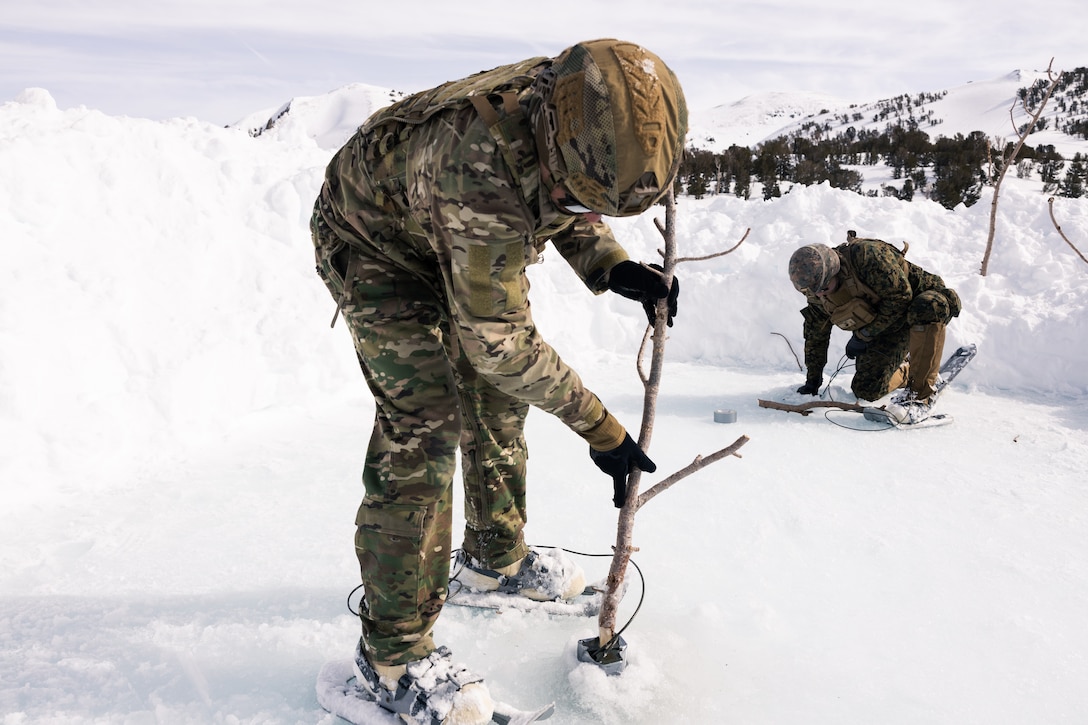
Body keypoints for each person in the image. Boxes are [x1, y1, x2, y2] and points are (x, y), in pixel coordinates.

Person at [310, 39, 686, 724]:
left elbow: (562, 199)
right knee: (424, 421)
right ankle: (389, 658)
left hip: (437, 226)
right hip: (375, 247)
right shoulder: (476, 167)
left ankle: (494, 558)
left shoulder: (567, 110)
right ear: (555, 136)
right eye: (579, 192)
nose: (578, 202)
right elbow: (501, 344)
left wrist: (611, 264)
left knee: (496, 399)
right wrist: (603, 431)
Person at [788, 231, 961, 423]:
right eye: (814, 292)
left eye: (823, 289)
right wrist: (813, 380)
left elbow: (900, 298)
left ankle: (921, 396)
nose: (819, 295)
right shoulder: (817, 290)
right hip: (886, 324)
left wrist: (864, 335)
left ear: (834, 271)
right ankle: (911, 370)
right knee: (866, 389)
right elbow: (815, 335)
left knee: (928, 305)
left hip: (920, 304)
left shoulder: (867, 257)